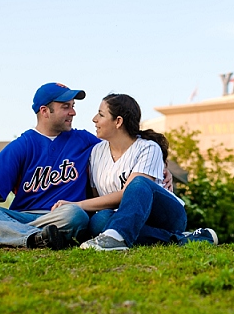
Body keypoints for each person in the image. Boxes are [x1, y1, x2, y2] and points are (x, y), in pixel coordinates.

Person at [0, 82, 100, 250]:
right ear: (44, 111)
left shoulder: (84, 140)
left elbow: (117, 150)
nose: (73, 112)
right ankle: (35, 238)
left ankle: (11, 237)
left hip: (61, 217)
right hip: (22, 217)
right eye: (65, 107)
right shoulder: (24, 144)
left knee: (75, 215)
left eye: (73, 106)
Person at [54, 93, 216, 251]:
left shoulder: (148, 147)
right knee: (100, 221)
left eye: (101, 114)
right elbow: (100, 199)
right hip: (121, 218)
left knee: (138, 183)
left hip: (162, 215)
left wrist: (77, 205)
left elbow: (128, 193)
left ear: (118, 121)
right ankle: (179, 239)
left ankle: (117, 237)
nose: (94, 119)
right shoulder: (96, 152)